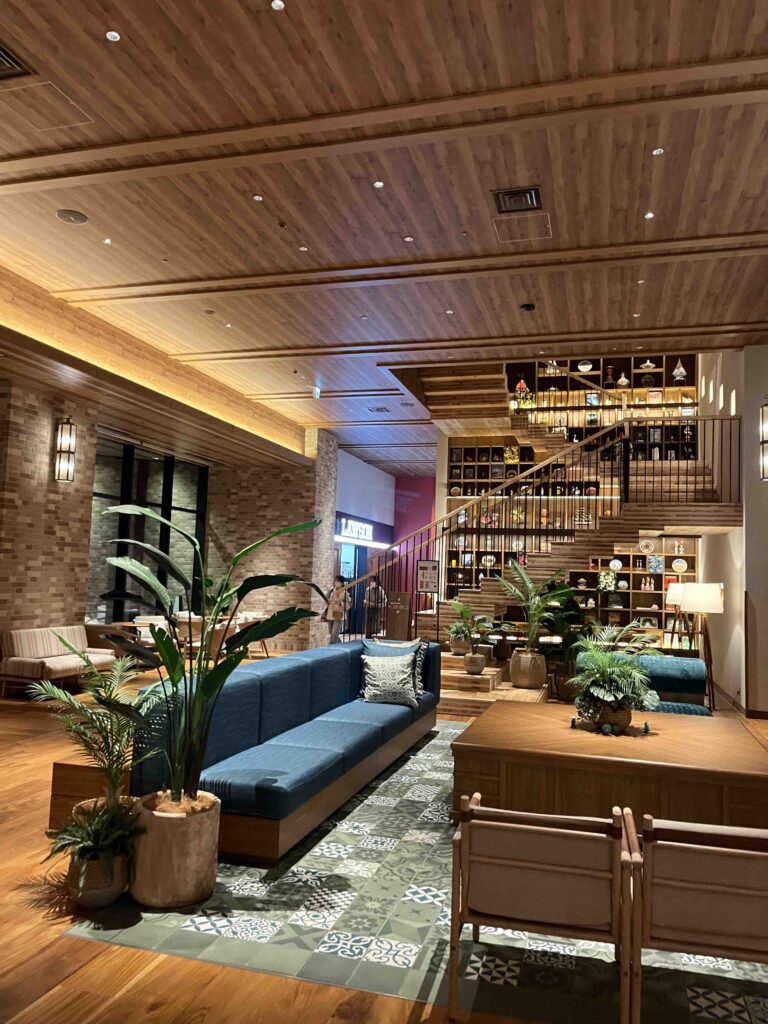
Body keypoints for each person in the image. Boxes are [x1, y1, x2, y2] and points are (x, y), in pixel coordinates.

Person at [323, 575, 349, 644]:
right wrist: (328, 601)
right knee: (331, 632)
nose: (336, 582)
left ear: (342, 583)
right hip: (330, 613)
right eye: (335, 580)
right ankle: (341, 645)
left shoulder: (345, 592)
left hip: (339, 614)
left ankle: (331, 647)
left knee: (334, 633)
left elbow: (348, 604)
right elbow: (326, 599)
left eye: (338, 581)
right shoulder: (331, 590)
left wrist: (340, 602)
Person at [363, 574, 387, 638]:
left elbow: (384, 602)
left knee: (375, 626)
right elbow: (365, 599)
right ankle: (367, 638)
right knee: (368, 626)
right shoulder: (368, 589)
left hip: (376, 610)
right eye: (371, 581)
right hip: (368, 609)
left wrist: (375, 604)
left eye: (373, 581)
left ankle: (374, 639)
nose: (371, 582)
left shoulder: (380, 591)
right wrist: (365, 602)